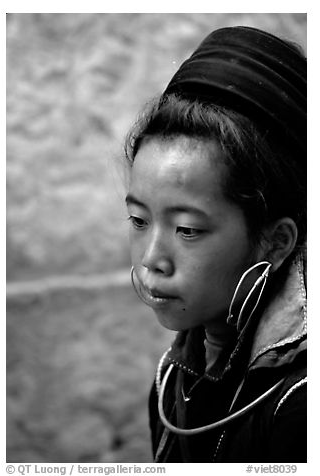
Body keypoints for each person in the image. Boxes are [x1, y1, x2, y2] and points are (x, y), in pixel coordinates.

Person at [124, 26, 306, 462]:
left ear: (276, 242)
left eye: (187, 230)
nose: (152, 260)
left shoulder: (300, 408)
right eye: (138, 220)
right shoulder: (173, 380)